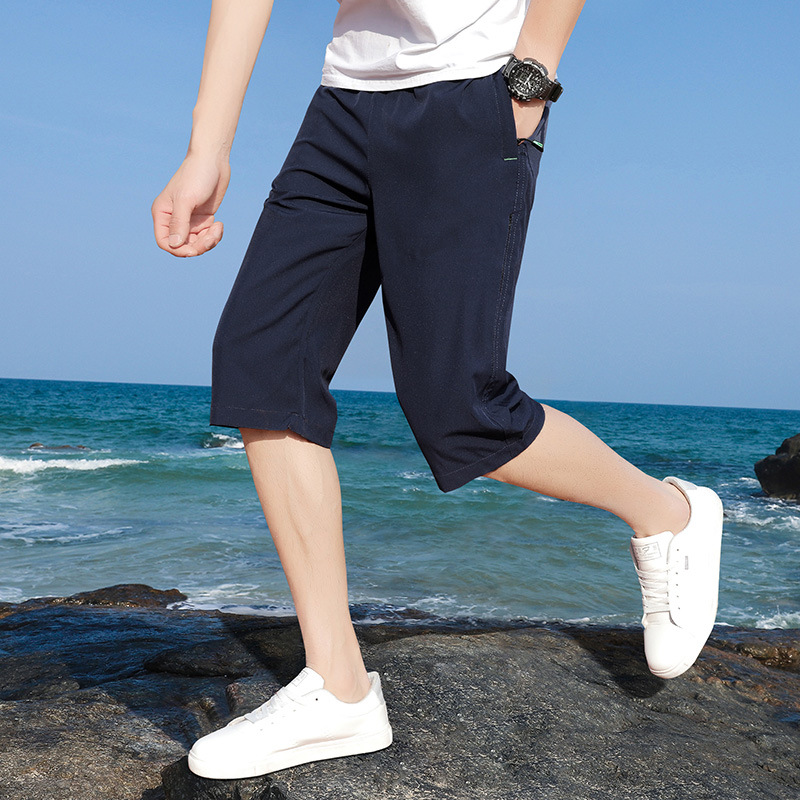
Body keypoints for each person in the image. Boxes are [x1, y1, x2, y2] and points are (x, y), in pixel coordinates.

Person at [152, 0, 723, 781]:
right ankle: (337, 686)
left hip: (473, 89)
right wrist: (206, 149)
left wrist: (530, 77)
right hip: (343, 102)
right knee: (262, 363)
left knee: (461, 407)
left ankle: (670, 515)